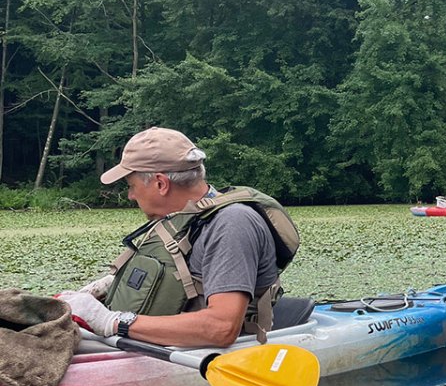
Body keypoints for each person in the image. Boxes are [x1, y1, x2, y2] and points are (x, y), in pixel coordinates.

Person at [57, 127, 296, 347]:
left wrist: (113, 321)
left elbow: (221, 328)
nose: (130, 195)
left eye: (131, 185)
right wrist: (107, 287)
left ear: (161, 183)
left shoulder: (232, 224)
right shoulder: (178, 219)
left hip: (222, 357)